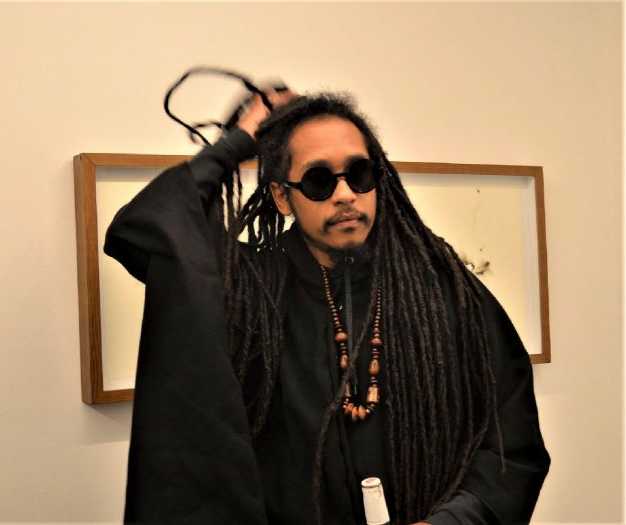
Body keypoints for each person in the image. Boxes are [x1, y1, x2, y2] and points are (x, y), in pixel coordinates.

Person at [104, 90, 550, 525]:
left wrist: (454, 520)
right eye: (319, 180)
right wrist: (235, 144)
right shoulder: (249, 291)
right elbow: (140, 232)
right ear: (283, 196)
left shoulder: (444, 291)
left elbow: (512, 441)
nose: (345, 194)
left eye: (359, 174)